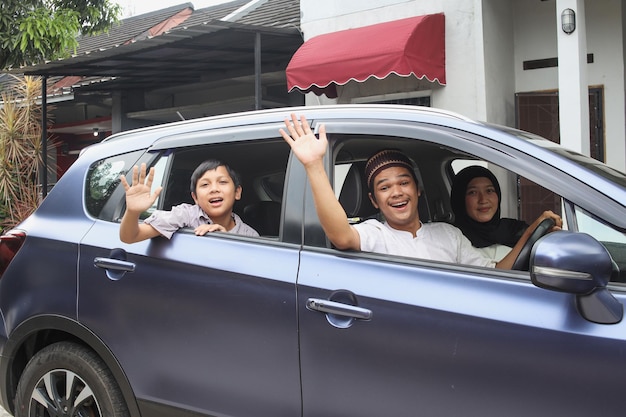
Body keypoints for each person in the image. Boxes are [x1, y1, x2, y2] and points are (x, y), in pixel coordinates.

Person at [279, 113, 561, 269]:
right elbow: (340, 235)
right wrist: (314, 166)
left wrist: (532, 231)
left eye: (404, 183)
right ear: (373, 199)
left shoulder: (448, 234)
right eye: (384, 187)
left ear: (418, 190)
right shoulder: (375, 234)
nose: (397, 193)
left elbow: (498, 273)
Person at [119, 159, 258, 243]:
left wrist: (224, 237)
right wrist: (132, 212)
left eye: (222, 182)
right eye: (205, 185)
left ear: (237, 192)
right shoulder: (185, 215)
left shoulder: (249, 235)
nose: (214, 189)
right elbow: (130, 237)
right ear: (195, 198)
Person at [451, 166, 529, 262]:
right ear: (460, 200)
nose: (483, 200)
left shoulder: (515, 229)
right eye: (473, 192)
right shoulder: (453, 241)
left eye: (489, 191)